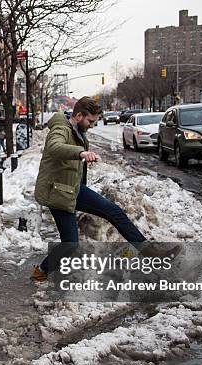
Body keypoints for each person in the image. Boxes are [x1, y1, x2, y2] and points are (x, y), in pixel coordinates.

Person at [31, 96, 175, 282]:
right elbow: (54, 147)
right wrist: (81, 153)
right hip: (57, 193)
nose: (92, 125)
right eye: (90, 121)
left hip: (72, 188)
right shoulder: (61, 129)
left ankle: (150, 252)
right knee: (70, 243)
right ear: (79, 115)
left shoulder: (76, 129)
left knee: (113, 210)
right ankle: (41, 272)